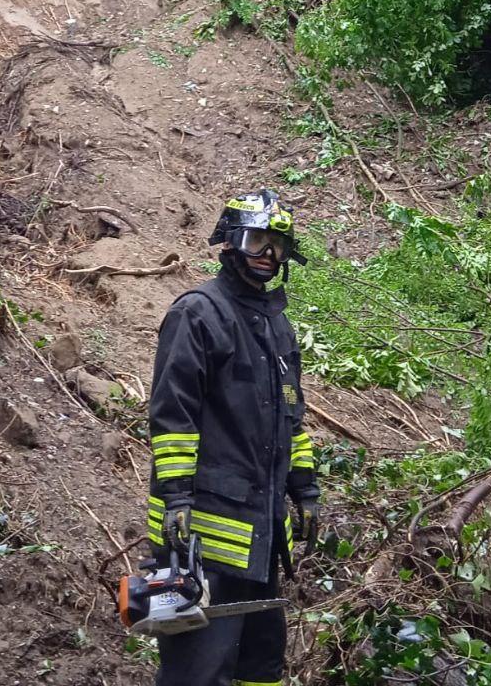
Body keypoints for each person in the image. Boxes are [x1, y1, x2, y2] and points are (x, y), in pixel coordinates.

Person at [146, 190, 320, 686]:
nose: (268, 254)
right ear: (229, 243)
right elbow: (171, 416)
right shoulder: (198, 314)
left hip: (262, 538)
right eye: (257, 240)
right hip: (203, 537)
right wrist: (176, 499)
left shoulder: (278, 327)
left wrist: (305, 490)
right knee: (199, 671)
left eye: (278, 245)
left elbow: (292, 421)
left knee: (261, 667)